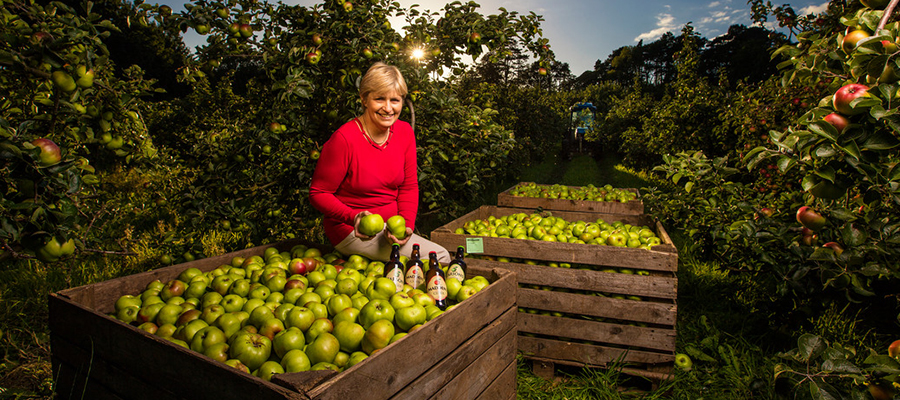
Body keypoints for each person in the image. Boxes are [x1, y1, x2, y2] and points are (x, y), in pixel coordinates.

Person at [310, 62, 451, 264]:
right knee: (438, 259)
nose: (388, 108)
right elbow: (318, 193)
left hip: (392, 229)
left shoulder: (404, 133)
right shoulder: (344, 139)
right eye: (379, 99)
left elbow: (409, 186)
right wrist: (353, 217)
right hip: (352, 231)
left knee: (431, 260)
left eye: (395, 100)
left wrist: (407, 225)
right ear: (364, 99)